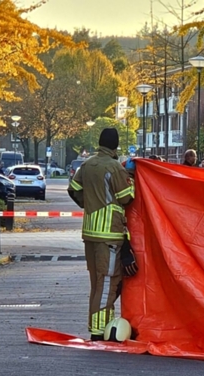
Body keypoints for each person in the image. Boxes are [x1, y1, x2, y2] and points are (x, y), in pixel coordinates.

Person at [68, 128, 136, 341]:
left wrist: (87, 203)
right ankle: (98, 331)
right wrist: (132, 179)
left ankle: (102, 326)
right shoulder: (114, 167)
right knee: (108, 282)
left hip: (90, 233)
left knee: (97, 283)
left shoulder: (87, 165)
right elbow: (127, 198)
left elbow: (73, 189)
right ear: (115, 146)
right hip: (109, 235)